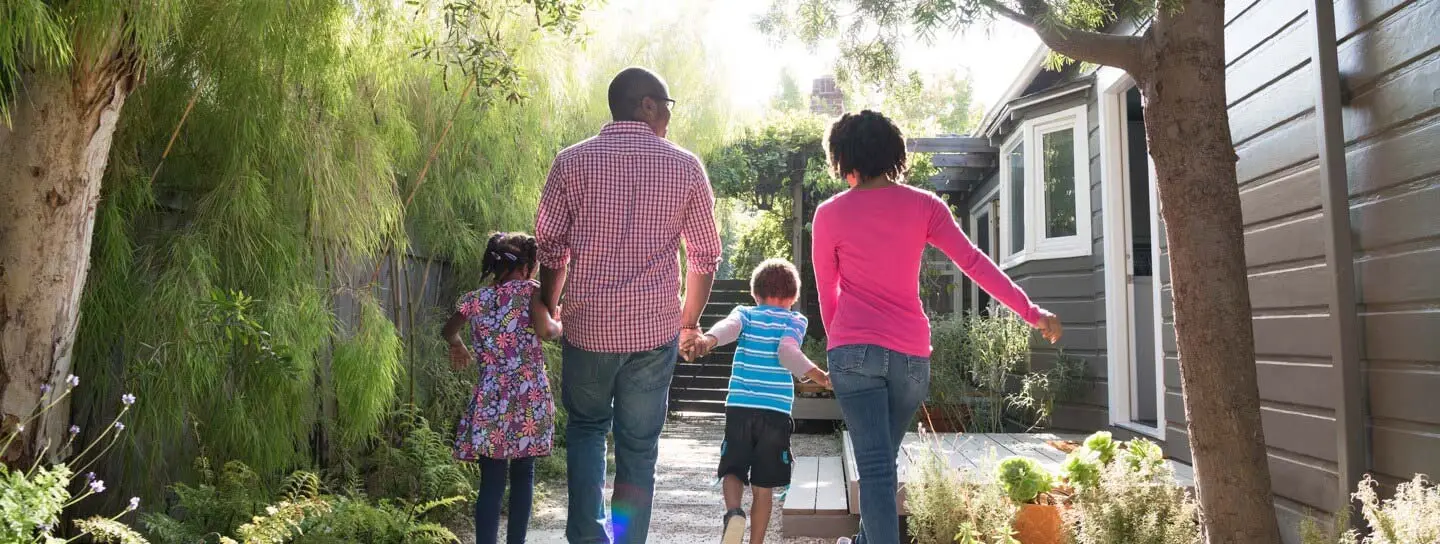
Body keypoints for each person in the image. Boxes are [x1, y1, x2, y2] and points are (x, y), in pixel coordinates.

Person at [811, 111, 1064, 544]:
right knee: (880, 462)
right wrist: (1031, 312)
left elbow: (826, 292)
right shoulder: (925, 205)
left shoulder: (829, 214)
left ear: (844, 158)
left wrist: (840, 349)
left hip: (853, 352)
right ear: (892, 152)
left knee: (875, 466)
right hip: (910, 359)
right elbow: (974, 263)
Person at [532, 66, 722, 544]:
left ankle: (588, 538)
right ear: (647, 105)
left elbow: (551, 248)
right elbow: (705, 256)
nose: (670, 117)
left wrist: (550, 306)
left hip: (588, 329)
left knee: (587, 430)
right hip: (653, 333)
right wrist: (689, 323)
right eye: (667, 106)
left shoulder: (570, 162)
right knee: (638, 448)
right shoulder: (685, 167)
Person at [689, 258, 832, 544]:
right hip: (775, 412)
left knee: (732, 469)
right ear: (793, 297)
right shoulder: (794, 320)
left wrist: (709, 340)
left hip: (740, 407)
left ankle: (734, 513)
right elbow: (787, 352)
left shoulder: (746, 314)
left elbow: (729, 327)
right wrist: (820, 376)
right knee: (763, 487)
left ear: (755, 294)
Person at [443, 232, 561, 544]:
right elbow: (547, 330)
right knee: (523, 474)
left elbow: (448, 329)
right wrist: (560, 322)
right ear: (527, 267)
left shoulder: (475, 299)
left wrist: (458, 345)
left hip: (490, 398)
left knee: (491, 483)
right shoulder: (530, 292)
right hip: (528, 397)